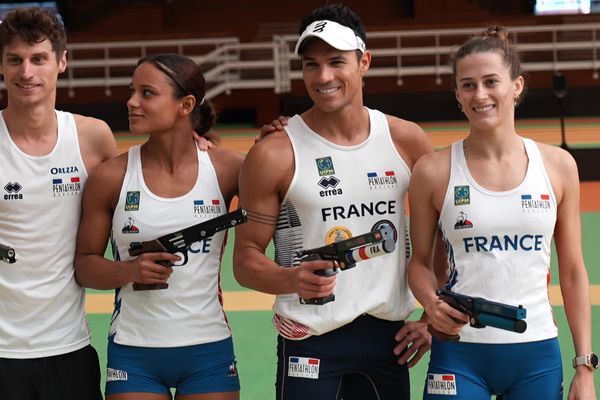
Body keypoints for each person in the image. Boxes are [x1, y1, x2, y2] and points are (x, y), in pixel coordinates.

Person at [233, 4, 438, 399]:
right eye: (311, 64)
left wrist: (432, 315)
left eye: (335, 62)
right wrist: (291, 278)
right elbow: (245, 259)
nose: (323, 77)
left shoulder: (406, 140)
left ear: (364, 62)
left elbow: (439, 240)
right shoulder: (275, 152)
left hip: (388, 338)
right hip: (310, 336)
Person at [407, 26, 597, 399]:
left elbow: (573, 272)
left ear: (517, 86)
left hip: (536, 355)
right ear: (457, 96)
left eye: (491, 81)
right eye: (468, 85)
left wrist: (585, 367)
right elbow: (419, 265)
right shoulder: (433, 171)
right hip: (458, 353)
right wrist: (431, 304)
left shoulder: (558, 166)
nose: (480, 95)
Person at [74, 53, 243, 400]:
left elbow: (286, 179)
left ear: (185, 105)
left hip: (208, 349)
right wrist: (128, 270)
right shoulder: (111, 176)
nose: (132, 102)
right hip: (134, 353)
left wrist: (281, 131)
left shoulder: (228, 169)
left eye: (147, 93)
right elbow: (85, 266)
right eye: (132, 91)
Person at [0, 7, 117, 400]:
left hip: (68, 348)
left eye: (38, 59)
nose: (26, 72)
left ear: (61, 61)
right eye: (14, 60)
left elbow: (140, 189)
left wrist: (192, 144)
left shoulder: (92, 138)